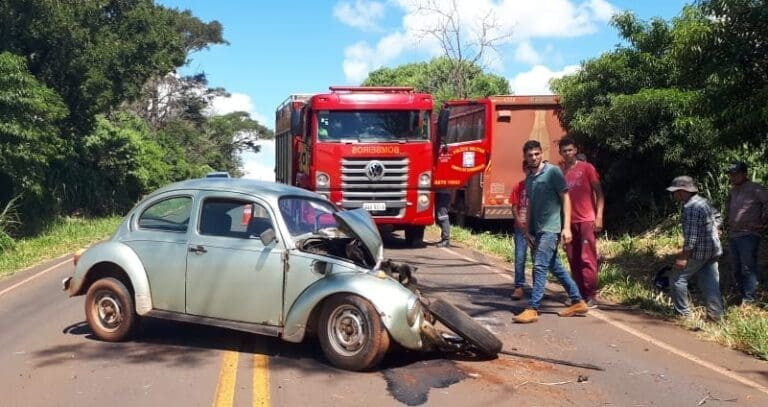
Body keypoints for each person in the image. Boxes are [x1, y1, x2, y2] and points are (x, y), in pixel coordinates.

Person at [513, 140, 588, 323]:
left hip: (551, 227)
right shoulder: (530, 179)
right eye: (530, 155)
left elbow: (565, 198)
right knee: (554, 266)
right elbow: (530, 205)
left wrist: (566, 227)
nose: (533, 157)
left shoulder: (553, 172)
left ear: (541, 153)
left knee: (539, 266)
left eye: (536, 154)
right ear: (525, 157)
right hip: (535, 229)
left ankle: (533, 308)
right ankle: (578, 301)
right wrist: (526, 230)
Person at [666, 175, 724, 321]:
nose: (674, 195)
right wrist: (715, 229)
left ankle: (683, 314)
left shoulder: (691, 208)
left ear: (682, 191)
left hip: (699, 252)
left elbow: (691, 239)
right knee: (710, 282)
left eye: (675, 192)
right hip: (713, 250)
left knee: (677, 279)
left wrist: (683, 258)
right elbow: (718, 216)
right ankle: (715, 315)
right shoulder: (702, 201)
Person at [509, 161, 569, 300]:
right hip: (521, 228)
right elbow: (514, 207)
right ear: (524, 169)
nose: (529, 171)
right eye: (527, 169)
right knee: (520, 257)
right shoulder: (519, 186)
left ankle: (537, 289)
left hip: (536, 228)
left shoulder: (541, 184)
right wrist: (522, 226)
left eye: (531, 169)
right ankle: (519, 287)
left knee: (538, 260)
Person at [559, 138, 605, 308]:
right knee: (573, 259)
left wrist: (599, 216)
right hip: (569, 222)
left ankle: (591, 295)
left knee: (587, 259)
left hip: (586, 220)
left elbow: (599, 193)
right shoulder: (560, 172)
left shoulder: (587, 168)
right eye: (564, 151)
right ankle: (577, 295)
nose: (568, 153)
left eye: (570, 150)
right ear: (560, 153)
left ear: (575, 150)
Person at [724, 161, 768, 305]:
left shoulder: (755, 189)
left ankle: (749, 300)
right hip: (734, 234)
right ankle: (743, 295)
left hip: (749, 234)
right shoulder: (733, 191)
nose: (732, 177)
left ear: (744, 174)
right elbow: (728, 209)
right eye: (731, 174)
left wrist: (763, 222)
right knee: (736, 268)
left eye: (735, 174)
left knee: (748, 268)